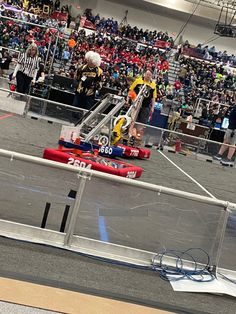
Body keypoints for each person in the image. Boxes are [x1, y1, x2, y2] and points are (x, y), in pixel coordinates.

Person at [213, 102, 236, 166]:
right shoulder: (234, 107)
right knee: (226, 141)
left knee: (232, 143)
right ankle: (219, 155)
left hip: (234, 128)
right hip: (230, 127)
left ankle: (229, 159)